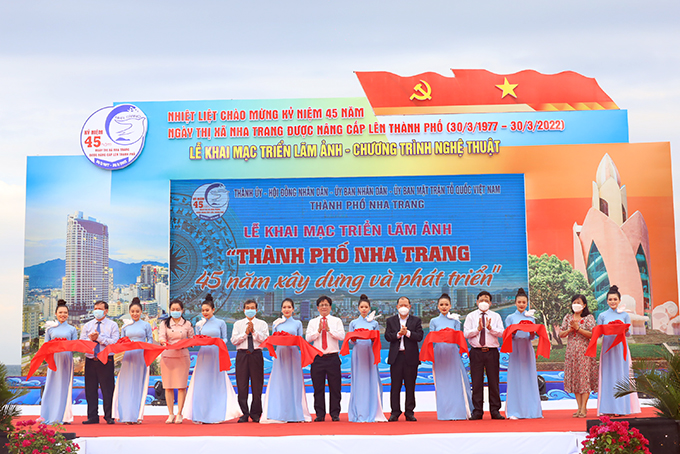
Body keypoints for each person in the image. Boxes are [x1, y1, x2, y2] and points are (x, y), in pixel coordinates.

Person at [185, 294, 241, 423]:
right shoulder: (199, 324)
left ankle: (217, 414)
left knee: (216, 384)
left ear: (213, 310)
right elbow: (197, 340)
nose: (205, 312)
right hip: (204, 357)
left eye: (207, 310)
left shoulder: (221, 323)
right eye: (203, 310)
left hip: (216, 356)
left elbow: (225, 339)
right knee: (202, 385)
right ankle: (201, 414)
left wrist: (216, 341)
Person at [261, 298, 311, 423]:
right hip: (280, 355)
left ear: (293, 309)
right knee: (280, 383)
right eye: (284, 307)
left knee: (294, 382)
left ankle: (295, 414)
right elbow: (273, 339)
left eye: (289, 307)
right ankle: (280, 412)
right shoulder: (276, 323)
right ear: (281, 309)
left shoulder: (298, 323)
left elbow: (300, 341)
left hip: (293, 355)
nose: (286, 309)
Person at [596, 285, 641, 416]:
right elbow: (599, 334)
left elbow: (628, 334)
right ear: (607, 301)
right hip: (607, 350)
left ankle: (621, 408)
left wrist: (625, 330)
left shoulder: (625, 315)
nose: (613, 302)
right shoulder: (602, 315)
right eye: (610, 299)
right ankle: (607, 408)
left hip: (621, 349)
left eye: (615, 299)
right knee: (608, 377)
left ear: (619, 300)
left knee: (621, 377)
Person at [428, 293, 472, 420]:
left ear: (450, 306)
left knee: (456, 383)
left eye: (446, 304)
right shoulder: (433, 321)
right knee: (443, 384)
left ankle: (459, 412)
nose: (444, 307)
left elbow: (459, 338)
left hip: (453, 353)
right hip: (439, 354)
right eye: (441, 304)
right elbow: (432, 338)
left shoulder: (455, 320)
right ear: (437, 306)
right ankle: (445, 413)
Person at [463, 291, 504, 420]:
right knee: (476, 382)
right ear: (477, 302)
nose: (484, 303)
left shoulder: (496, 316)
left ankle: (495, 410)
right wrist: (478, 330)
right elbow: (466, 334)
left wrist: (491, 328)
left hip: (492, 352)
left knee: (493, 381)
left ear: (491, 303)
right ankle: (477, 411)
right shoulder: (470, 316)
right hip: (476, 352)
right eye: (481, 300)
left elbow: (502, 333)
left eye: (486, 300)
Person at [112, 298, 153, 424]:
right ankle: (125, 415)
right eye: (133, 311)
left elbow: (150, 340)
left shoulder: (146, 325)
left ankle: (136, 416)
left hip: (140, 358)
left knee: (137, 386)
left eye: (137, 311)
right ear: (129, 312)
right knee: (126, 386)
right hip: (128, 358)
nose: (135, 314)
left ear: (141, 312)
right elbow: (121, 342)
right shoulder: (125, 326)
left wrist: (145, 348)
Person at [347, 294, 387, 423]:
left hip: (370, 353)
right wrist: (353, 339)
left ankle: (373, 410)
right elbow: (351, 342)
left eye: (366, 307)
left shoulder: (374, 323)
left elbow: (377, 340)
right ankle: (358, 411)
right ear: (358, 308)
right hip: (358, 354)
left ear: (369, 308)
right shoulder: (353, 323)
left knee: (371, 380)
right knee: (358, 381)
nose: (364, 309)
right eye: (362, 307)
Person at [504, 288, 542, 419]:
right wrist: (514, 332)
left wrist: (532, 333)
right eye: (519, 302)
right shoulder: (510, 318)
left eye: (524, 302)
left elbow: (532, 337)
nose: (521, 304)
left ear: (527, 303)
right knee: (515, 378)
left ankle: (531, 410)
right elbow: (507, 336)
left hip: (527, 348)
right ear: (515, 303)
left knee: (529, 378)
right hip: (515, 349)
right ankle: (514, 411)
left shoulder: (531, 318)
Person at [306, 295, 345, 422]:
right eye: (321, 305)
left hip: (333, 357)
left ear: (330, 307)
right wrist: (318, 331)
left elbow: (342, 336)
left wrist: (329, 330)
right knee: (318, 388)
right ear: (317, 308)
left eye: (326, 305)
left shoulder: (336, 321)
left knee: (335, 387)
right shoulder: (312, 322)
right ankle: (320, 414)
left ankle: (335, 413)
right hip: (317, 358)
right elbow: (308, 339)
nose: (324, 307)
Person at [80, 300, 120, 424]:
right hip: (91, 359)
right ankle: (92, 416)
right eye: (95, 308)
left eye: (100, 308)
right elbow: (82, 342)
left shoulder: (112, 325)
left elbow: (114, 342)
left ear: (106, 311)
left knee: (107, 389)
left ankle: (109, 416)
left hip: (106, 360)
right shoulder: (88, 325)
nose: (97, 310)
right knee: (90, 389)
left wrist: (100, 338)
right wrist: (91, 339)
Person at [385, 296, 423, 422]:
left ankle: (409, 412)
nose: (403, 307)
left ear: (410, 306)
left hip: (410, 357)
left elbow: (419, 336)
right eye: (401, 305)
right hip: (396, 358)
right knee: (395, 386)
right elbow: (387, 336)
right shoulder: (390, 321)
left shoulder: (416, 320)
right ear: (397, 307)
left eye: (405, 305)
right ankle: (395, 412)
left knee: (410, 386)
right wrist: (398, 334)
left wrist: (407, 333)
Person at [40, 300, 78, 424]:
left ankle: (64, 416)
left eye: (65, 313)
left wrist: (64, 345)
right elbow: (45, 347)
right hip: (53, 361)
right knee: (51, 386)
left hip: (66, 360)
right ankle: (47, 415)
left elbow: (75, 346)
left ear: (68, 314)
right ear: (56, 314)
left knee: (64, 388)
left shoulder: (72, 329)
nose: (63, 315)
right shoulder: (50, 330)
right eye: (60, 312)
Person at [231, 299, 269, 423]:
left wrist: (254, 332)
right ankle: (244, 413)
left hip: (256, 355)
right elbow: (233, 341)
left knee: (257, 385)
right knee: (242, 386)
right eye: (247, 308)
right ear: (243, 310)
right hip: (242, 355)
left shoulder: (262, 324)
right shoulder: (238, 324)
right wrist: (245, 333)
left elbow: (265, 340)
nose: (250, 310)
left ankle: (256, 413)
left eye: (252, 308)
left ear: (256, 310)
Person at [559, 294, 597, 418]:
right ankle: (578, 407)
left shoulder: (589, 318)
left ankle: (584, 408)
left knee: (584, 379)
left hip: (585, 352)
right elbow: (561, 334)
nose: (576, 304)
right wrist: (570, 330)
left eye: (579, 302)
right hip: (571, 353)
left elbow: (592, 334)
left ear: (584, 305)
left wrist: (578, 328)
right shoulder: (568, 317)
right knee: (575, 379)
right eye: (574, 302)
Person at [158, 299, 194, 424]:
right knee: (168, 387)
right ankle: (170, 414)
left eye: (178, 309)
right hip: (168, 356)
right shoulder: (164, 323)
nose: (175, 312)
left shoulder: (187, 324)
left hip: (182, 356)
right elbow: (161, 336)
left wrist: (190, 343)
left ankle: (179, 413)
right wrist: (163, 342)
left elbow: (192, 338)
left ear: (182, 310)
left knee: (181, 386)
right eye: (173, 309)